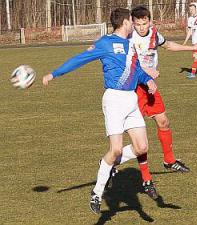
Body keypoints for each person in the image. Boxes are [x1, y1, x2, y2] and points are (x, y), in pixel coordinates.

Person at [42, 8, 159, 214]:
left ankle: (107, 164)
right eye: (131, 22)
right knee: (115, 150)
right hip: (114, 99)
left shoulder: (130, 45)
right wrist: (54, 74)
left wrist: (147, 79)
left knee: (141, 147)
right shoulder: (105, 43)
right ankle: (97, 192)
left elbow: (137, 69)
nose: (134, 25)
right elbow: (79, 59)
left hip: (131, 99)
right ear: (124, 23)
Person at [108, 6, 195, 200]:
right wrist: (148, 72)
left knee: (163, 121)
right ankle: (144, 178)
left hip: (150, 87)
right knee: (140, 139)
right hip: (134, 89)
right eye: (137, 23)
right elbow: (122, 57)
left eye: (144, 23)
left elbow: (168, 45)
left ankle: (170, 160)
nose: (140, 27)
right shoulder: (128, 37)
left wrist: (191, 48)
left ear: (150, 22)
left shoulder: (155, 34)